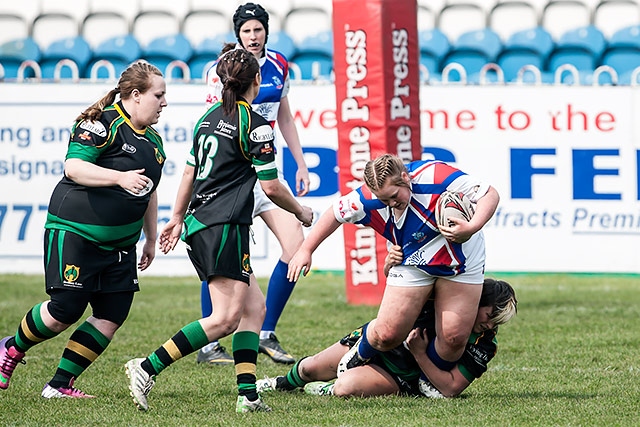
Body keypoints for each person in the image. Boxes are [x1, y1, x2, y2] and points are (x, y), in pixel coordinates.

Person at [124, 48, 313, 414]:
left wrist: (177, 217)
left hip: (205, 222)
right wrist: (302, 211)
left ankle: (248, 396)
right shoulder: (255, 123)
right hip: (222, 224)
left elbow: (189, 172)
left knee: (254, 309)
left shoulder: (208, 118)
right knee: (224, 318)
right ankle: (147, 367)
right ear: (256, 82)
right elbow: (272, 188)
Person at [0, 61, 167, 398]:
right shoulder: (102, 124)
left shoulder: (154, 141)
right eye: (159, 95)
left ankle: (59, 385)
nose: (164, 102)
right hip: (76, 232)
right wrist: (119, 177)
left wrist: (150, 237)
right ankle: (10, 349)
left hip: (122, 246)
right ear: (136, 95)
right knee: (65, 310)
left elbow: (148, 190)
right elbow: (74, 167)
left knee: (112, 314)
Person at [288, 153, 500, 378]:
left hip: (462, 259)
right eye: (383, 200)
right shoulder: (366, 198)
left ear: (405, 177)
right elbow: (335, 213)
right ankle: (357, 355)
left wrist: (471, 227)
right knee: (388, 334)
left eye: (393, 196)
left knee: (453, 340)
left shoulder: (434, 175)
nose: (391, 204)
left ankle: (419, 381)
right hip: (411, 258)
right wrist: (306, 250)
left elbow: (489, 194)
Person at [197, 2, 311, 366]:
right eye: (246, 31)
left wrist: (301, 162)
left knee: (296, 246)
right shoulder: (224, 69)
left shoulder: (278, 64)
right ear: (237, 35)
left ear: (266, 31)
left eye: (258, 29)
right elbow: (219, 118)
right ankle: (209, 343)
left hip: (265, 172)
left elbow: (285, 116)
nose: (253, 36)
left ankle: (265, 331)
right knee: (221, 252)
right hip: (234, 174)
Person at [255, 273, 517, 398]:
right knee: (310, 367)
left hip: (400, 374)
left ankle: (327, 389)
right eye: (490, 315)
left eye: (498, 322)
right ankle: (281, 383)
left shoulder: (485, 344)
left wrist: (419, 354)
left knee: (346, 387)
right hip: (377, 342)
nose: (491, 325)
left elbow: (451, 387)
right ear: (475, 301)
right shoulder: (440, 297)